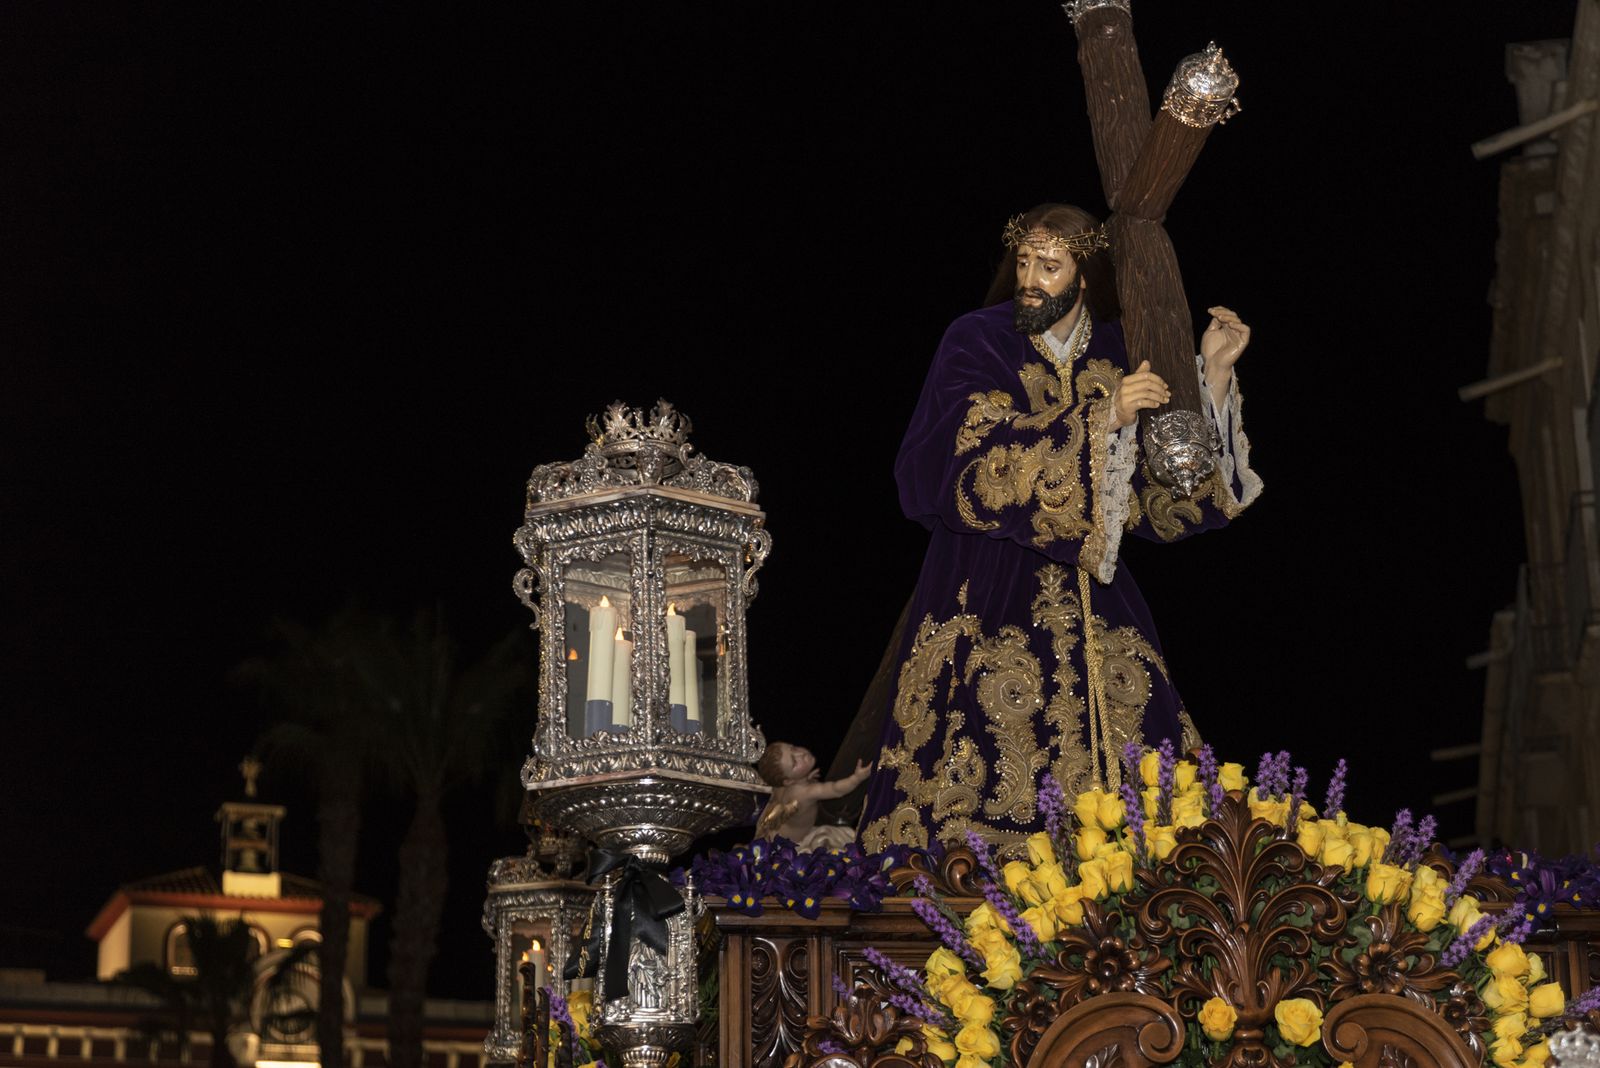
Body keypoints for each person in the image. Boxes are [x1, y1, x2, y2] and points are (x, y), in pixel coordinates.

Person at [856, 203, 1261, 854]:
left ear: (1085, 276)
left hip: (1099, 608)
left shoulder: (1121, 353)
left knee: (1165, 822)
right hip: (985, 587)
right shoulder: (978, 339)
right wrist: (1101, 420)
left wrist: (1210, 374)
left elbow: (1167, 503)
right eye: (1024, 263)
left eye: (1050, 266)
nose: (1032, 280)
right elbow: (955, 459)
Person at [755, 742, 873, 850]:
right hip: (793, 844)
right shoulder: (807, 792)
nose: (801, 754)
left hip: (774, 833)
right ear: (789, 782)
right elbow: (836, 789)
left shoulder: (780, 786)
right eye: (795, 763)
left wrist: (804, 779)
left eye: (794, 748)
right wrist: (856, 778)